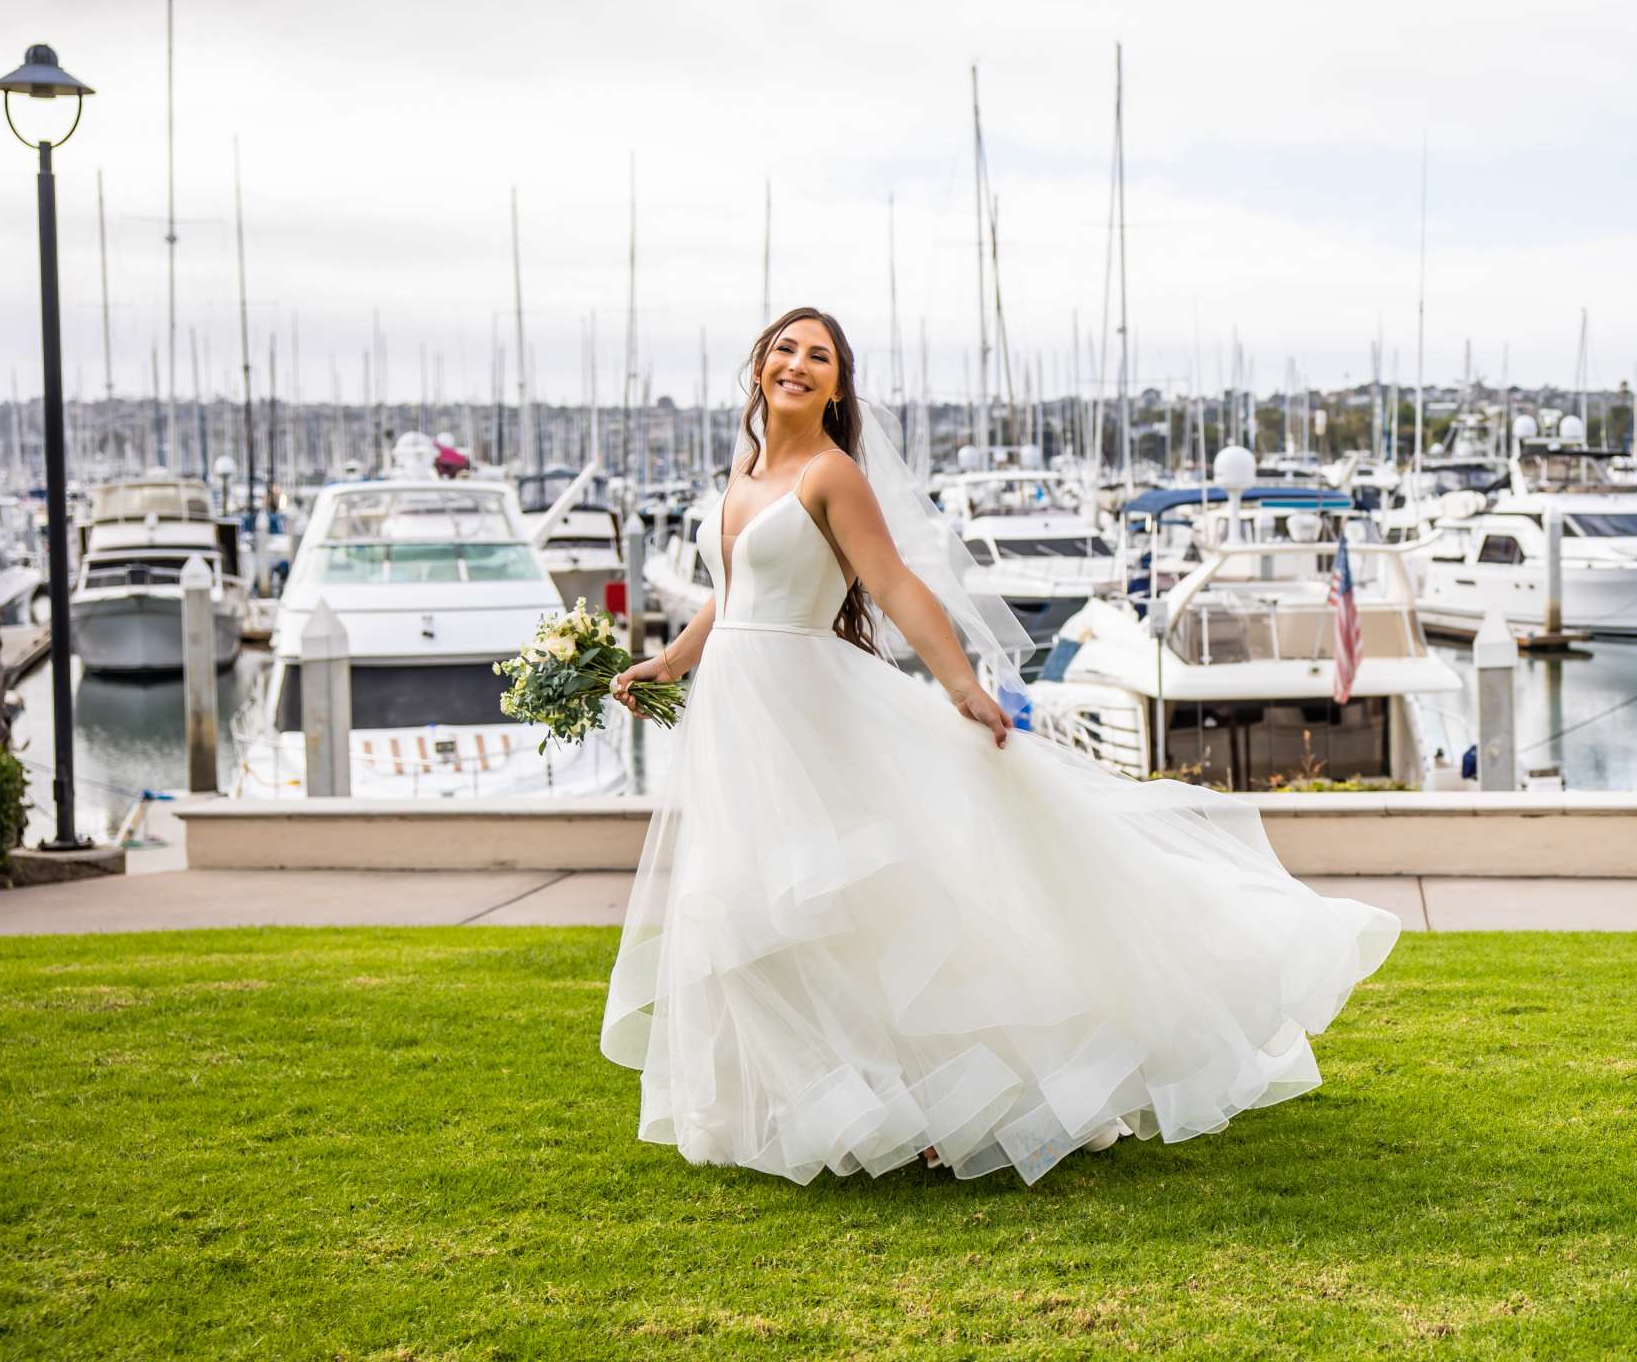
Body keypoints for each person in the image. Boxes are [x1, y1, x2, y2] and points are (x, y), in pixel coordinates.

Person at [599, 306, 1397, 1185]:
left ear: (836, 384)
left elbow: (894, 583)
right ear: (759, 367)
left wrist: (961, 687)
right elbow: (733, 589)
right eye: (786, 350)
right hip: (740, 714)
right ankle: (821, 1101)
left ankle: (958, 1092)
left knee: (862, 903)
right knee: (750, 903)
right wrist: (669, 661)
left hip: (809, 706)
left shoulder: (833, 476)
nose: (798, 365)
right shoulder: (744, 470)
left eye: (818, 357)